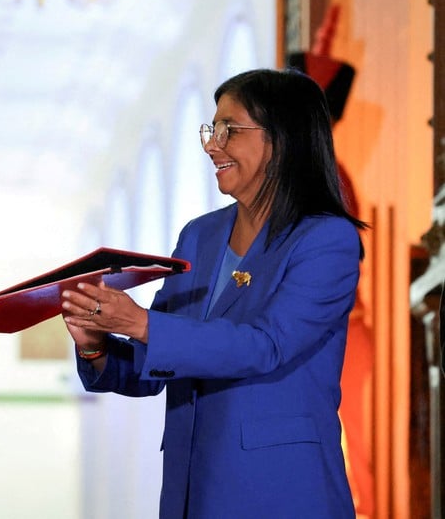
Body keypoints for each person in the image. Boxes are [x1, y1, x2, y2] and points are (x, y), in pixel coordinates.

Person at [62, 68, 367, 517]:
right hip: (191, 488)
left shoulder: (326, 240)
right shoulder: (199, 236)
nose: (211, 144)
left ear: (282, 140)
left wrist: (142, 323)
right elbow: (158, 359)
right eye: (212, 128)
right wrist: (96, 346)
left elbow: (266, 345)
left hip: (281, 491)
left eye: (230, 129)